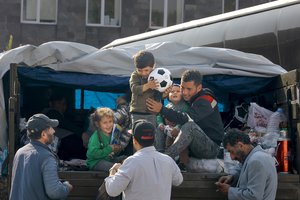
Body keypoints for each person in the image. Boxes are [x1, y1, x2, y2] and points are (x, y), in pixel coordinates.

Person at [146, 69, 224, 169]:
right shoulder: (191, 99)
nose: (184, 92)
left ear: (199, 87)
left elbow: (185, 118)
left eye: (189, 89)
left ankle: (164, 159)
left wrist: (161, 109)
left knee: (189, 125)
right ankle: (158, 154)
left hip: (211, 148)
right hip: (195, 146)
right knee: (160, 125)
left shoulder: (206, 100)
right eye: (182, 88)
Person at [105, 120, 183, 200]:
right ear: (154, 140)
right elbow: (178, 180)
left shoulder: (131, 162)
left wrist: (113, 171)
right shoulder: (168, 160)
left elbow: (112, 190)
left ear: (134, 140)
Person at [9, 113, 73, 200]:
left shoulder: (20, 153)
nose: (54, 131)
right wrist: (66, 187)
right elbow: (54, 192)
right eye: (50, 128)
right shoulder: (47, 157)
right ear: (43, 134)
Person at [215, 129, 277, 200]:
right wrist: (231, 177)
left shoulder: (256, 160)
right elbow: (241, 168)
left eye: (232, 151)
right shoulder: (253, 157)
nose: (232, 157)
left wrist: (229, 191)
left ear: (240, 145)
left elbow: (253, 197)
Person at [43, 92, 87, 160]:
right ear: (51, 104)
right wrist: (82, 133)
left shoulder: (61, 115)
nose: (62, 106)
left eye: (64, 104)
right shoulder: (50, 112)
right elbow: (64, 123)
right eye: (59, 103)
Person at [86, 107, 126, 171]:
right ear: (98, 124)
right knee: (116, 167)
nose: (108, 125)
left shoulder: (113, 134)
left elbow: (112, 151)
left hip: (108, 159)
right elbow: (93, 153)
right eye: (105, 123)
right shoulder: (96, 136)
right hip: (96, 162)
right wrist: (110, 148)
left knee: (126, 158)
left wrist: (117, 148)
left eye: (110, 121)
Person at [129, 50, 161, 126]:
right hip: (137, 112)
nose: (143, 73)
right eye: (140, 70)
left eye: (146, 70)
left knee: (151, 133)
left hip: (151, 113)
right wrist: (148, 85)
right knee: (137, 133)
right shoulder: (135, 75)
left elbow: (159, 94)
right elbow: (134, 89)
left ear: (153, 66)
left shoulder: (157, 75)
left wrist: (165, 94)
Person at [156, 84, 188, 152]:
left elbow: (187, 119)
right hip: (168, 129)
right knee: (159, 129)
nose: (175, 93)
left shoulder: (185, 106)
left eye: (178, 91)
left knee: (173, 140)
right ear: (168, 95)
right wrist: (160, 123)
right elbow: (159, 116)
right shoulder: (167, 106)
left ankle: (177, 154)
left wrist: (177, 127)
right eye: (172, 91)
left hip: (179, 131)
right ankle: (160, 150)